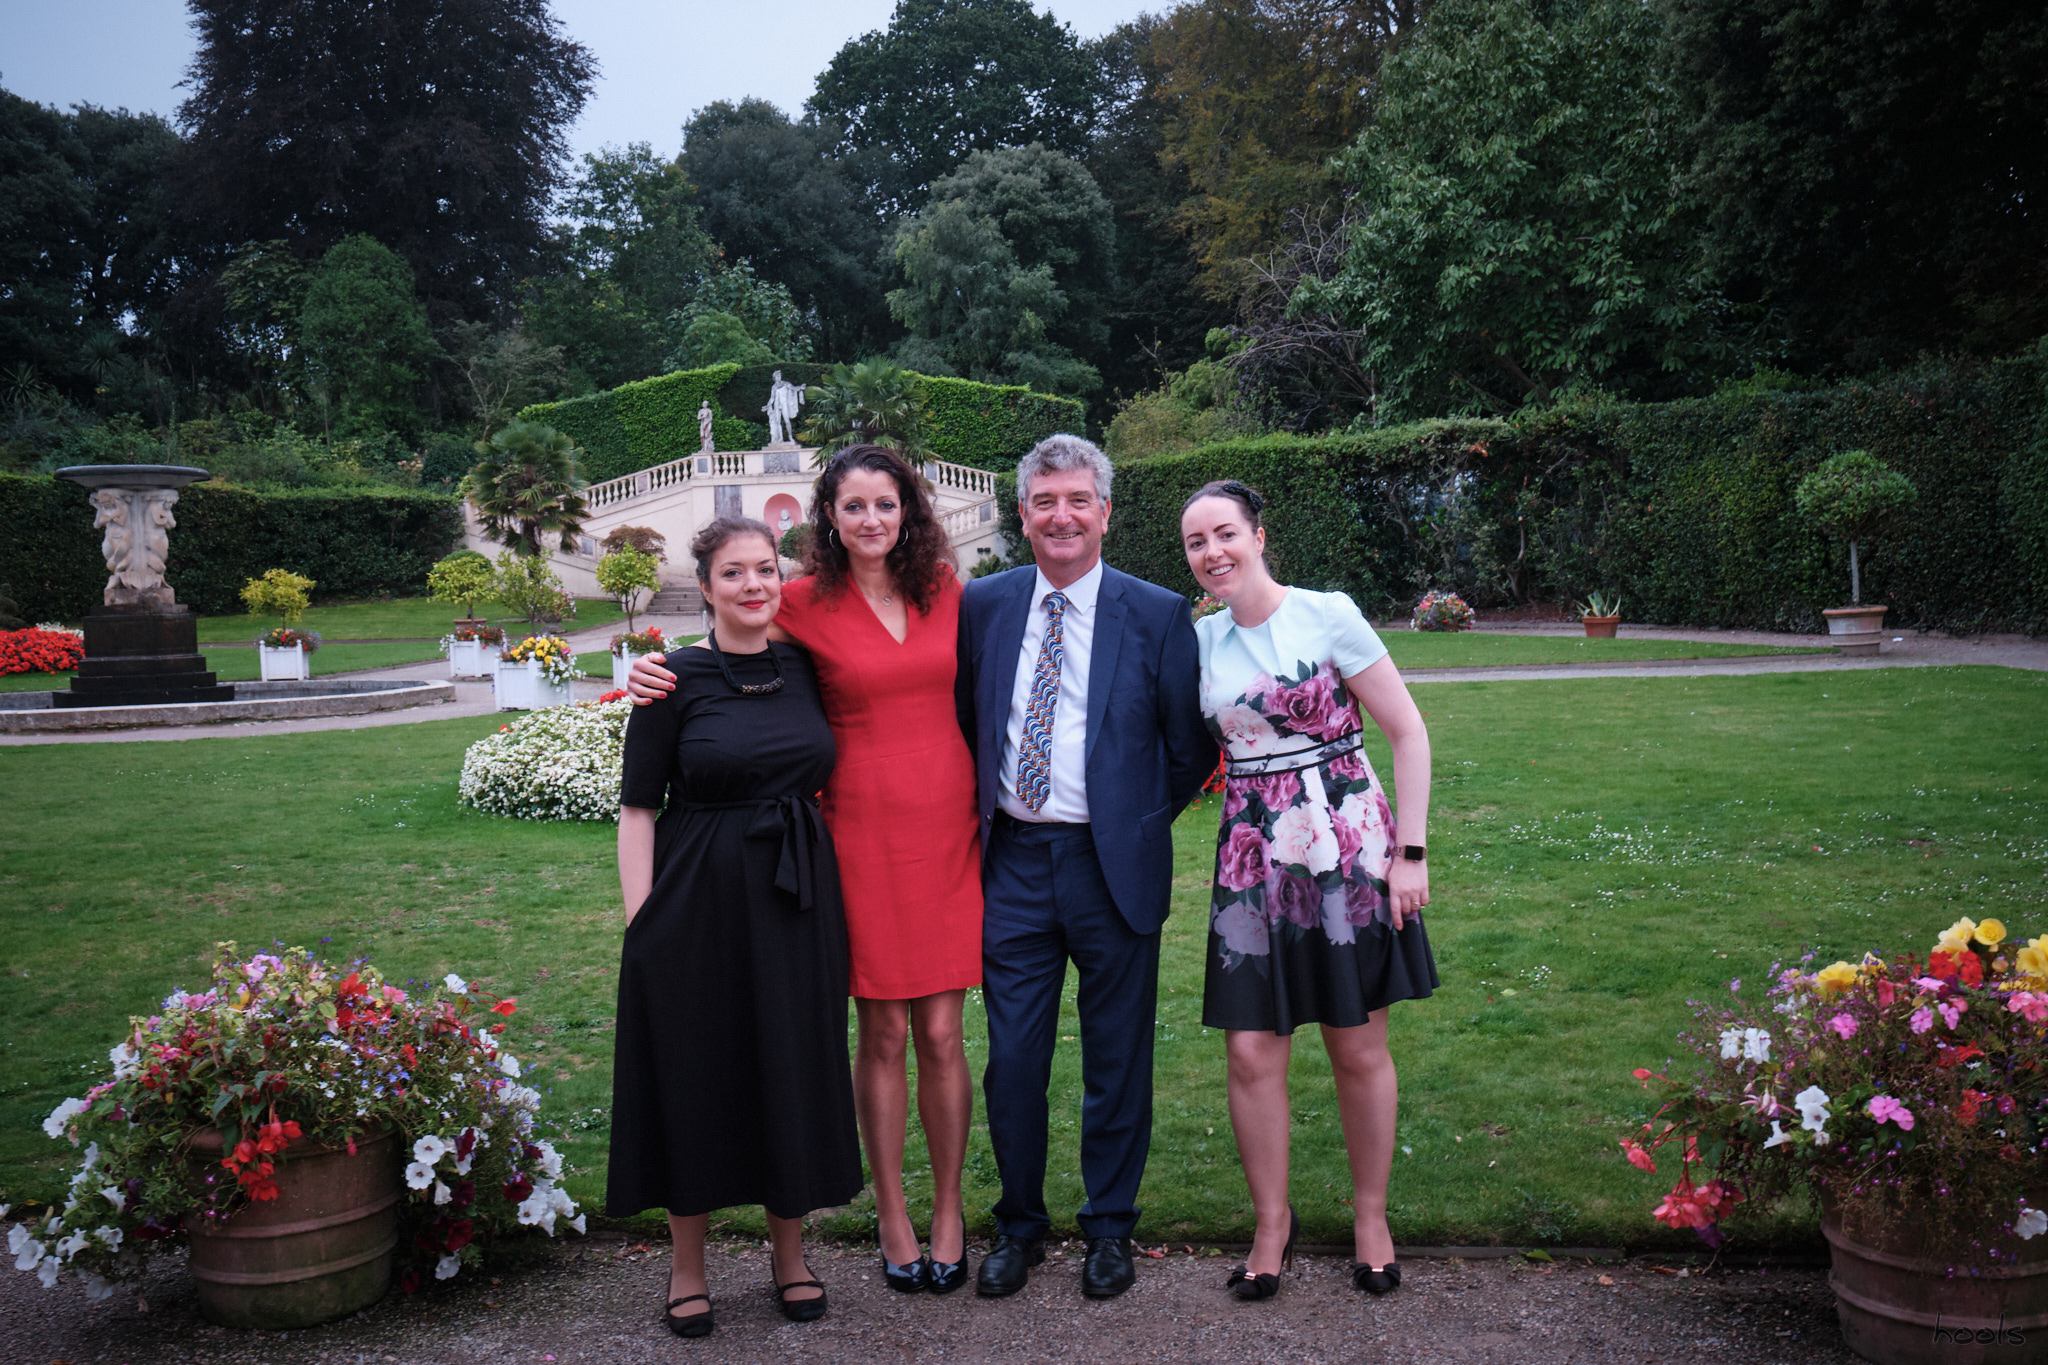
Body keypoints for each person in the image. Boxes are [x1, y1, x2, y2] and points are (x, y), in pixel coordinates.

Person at [627, 447, 983, 1295]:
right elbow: (731, 639)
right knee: (883, 1032)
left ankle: (949, 1209)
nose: (871, 519)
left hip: (946, 830)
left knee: (943, 1032)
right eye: (852, 505)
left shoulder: (946, 589)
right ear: (828, 516)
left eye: (885, 503)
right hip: (856, 834)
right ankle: (892, 1214)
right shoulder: (801, 599)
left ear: (908, 509)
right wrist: (654, 668)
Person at [955, 434, 1214, 1300]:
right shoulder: (984, 604)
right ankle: (1019, 1226)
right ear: (1022, 513)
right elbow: (965, 718)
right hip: (1015, 864)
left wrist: (1131, 821)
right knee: (1013, 1058)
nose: (1061, 516)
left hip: (1114, 868)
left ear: (1105, 511)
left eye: (1077, 500)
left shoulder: (1157, 612)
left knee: (1117, 1057)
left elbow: (1188, 748)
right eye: (1045, 501)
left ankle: (1110, 1227)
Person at [1179, 480, 1438, 1300]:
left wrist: (1411, 853)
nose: (1213, 551)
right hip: (1253, 858)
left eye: (1225, 532)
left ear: (1258, 534)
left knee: (1356, 1042)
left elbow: (1407, 730)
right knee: (1251, 1050)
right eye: (1196, 542)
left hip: (1347, 847)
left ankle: (1371, 1218)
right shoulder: (1197, 643)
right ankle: (1271, 1225)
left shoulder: (1328, 614)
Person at [607, 516, 863, 1338]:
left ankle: (790, 1255)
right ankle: (688, 1267)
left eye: (765, 568)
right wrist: (642, 925)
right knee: (695, 1073)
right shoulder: (671, 678)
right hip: (696, 904)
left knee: (788, 1067)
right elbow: (638, 808)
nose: (753, 584)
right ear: (706, 586)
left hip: (797, 902)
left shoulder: (807, 665)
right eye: (733, 572)